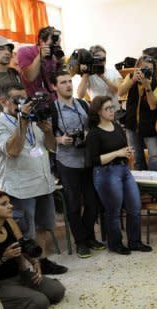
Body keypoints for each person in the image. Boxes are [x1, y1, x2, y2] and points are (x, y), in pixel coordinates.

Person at [0, 84, 67, 274]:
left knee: (43, 226)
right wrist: (22, 122)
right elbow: (12, 151)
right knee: (23, 232)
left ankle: (41, 261)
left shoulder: (33, 120)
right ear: (3, 101)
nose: (24, 104)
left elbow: (52, 147)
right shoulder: (0, 124)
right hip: (20, 187)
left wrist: (47, 131)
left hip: (43, 183)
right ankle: (23, 269)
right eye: (17, 100)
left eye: (25, 98)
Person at [85, 96, 152, 255]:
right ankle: (115, 244)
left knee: (135, 206)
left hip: (123, 170)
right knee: (113, 211)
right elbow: (93, 160)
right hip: (106, 173)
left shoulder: (116, 126)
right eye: (107, 108)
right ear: (98, 112)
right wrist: (118, 153)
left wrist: (127, 153)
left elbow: (123, 148)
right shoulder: (94, 134)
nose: (111, 111)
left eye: (112, 107)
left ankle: (135, 241)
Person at [50, 71, 104, 258]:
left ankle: (89, 236)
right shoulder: (52, 109)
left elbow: (93, 126)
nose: (68, 85)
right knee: (73, 205)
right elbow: (46, 137)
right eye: (62, 82)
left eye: (69, 82)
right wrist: (59, 139)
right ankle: (80, 241)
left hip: (86, 159)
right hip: (67, 161)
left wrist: (90, 136)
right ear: (54, 87)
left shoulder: (82, 104)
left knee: (92, 203)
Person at [0, 190, 65, 309]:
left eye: (9, 203)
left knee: (57, 291)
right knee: (41, 303)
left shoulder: (9, 221)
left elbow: (22, 245)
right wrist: (4, 257)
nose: (11, 206)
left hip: (18, 275)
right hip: (0, 283)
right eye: (4, 204)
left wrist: (35, 262)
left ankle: (22, 294)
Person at [118, 55, 157, 171]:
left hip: (150, 125)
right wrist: (133, 80)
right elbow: (120, 92)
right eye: (144, 68)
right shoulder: (130, 77)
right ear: (137, 67)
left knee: (155, 156)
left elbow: (153, 106)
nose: (147, 72)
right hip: (132, 125)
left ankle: (152, 179)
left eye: (150, 70)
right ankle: (142, 184)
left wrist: (147, 86)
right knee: (137, 158)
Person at [17, 26, 64, 99]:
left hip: (54, 101)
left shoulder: (54, 56)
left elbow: (62, 81)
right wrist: (40, 56)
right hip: (35, 103)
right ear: (41, 41)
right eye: (52, 43)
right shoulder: (25, 51)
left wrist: (61, 64)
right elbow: (30, 77)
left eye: (58, 45)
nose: (55, 47)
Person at [75, 45, 122, 110]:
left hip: (113, 111)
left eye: (104, 59)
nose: (102, 61)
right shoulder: (89, 76)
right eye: (98, 58)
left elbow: (117, 91)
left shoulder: (114, 72)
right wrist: (85, 74)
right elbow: (80, 95)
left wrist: (103, 77)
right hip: (97, 112)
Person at [0, 36, 21, 112]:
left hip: (17, 120)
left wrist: (20, 93)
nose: (7, 52)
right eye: (1, 48)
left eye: (9, 49)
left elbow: (26, 93)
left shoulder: (14, 73)